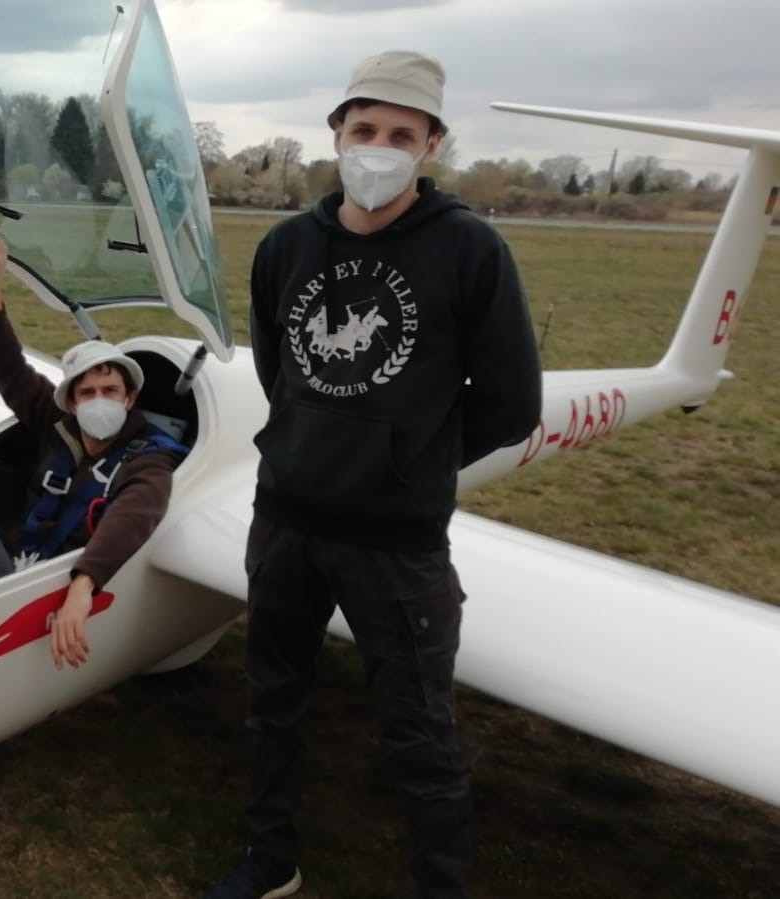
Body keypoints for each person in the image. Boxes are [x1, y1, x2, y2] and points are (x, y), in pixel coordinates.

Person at [205, 51, 543, 899]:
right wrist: (314, 444)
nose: (378, 147)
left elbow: (508, 405)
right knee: (271, 699)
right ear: (336, 132)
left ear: (430, 144)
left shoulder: (470, 250)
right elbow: (281, 370)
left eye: (402, 133)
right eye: (364, 129)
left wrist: (406, 459)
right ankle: (269, 856)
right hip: (284, 517)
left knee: (419, 729)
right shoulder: (285, 246)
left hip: (394, 541)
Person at [0, 234, 187, 670]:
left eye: (111, 390)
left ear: (130, 400)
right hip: (20, 561)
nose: (100, 400)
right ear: (71, 403)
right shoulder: (58, 427)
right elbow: (11, 371)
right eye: (87, 393)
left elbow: (136, 510)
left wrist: (84, 584)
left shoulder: (149, 457)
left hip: (60, 575)